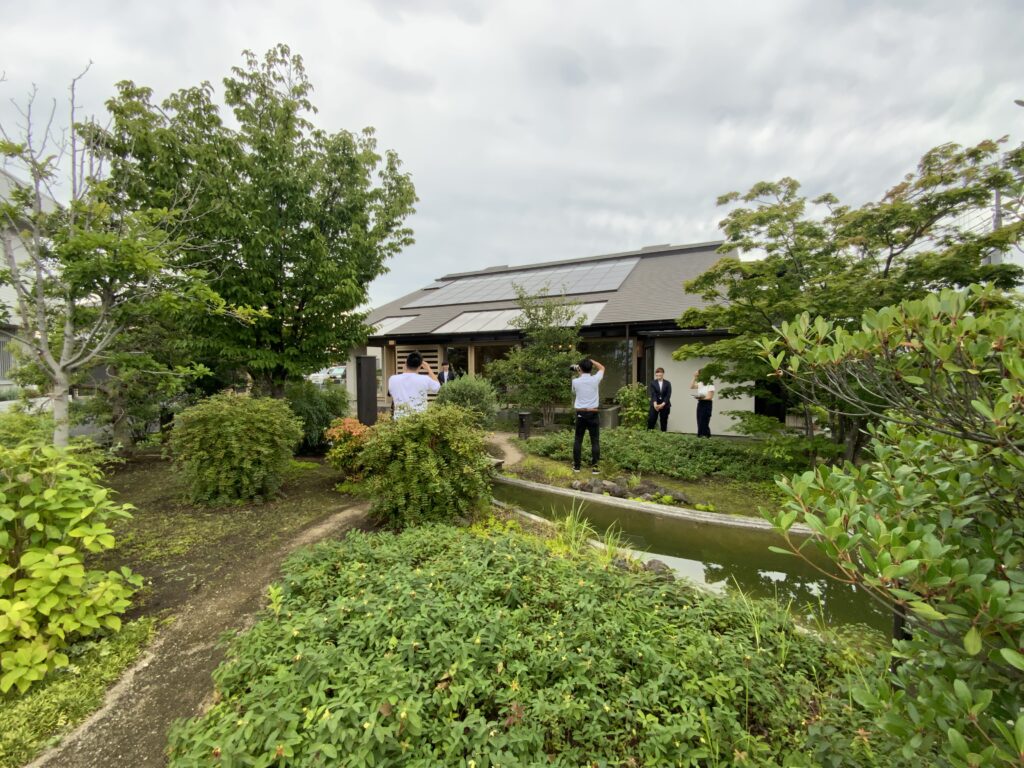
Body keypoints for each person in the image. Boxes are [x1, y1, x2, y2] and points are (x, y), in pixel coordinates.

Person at [571, 357, 605, 473]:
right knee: (595, 441)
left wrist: (579, 371)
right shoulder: (595, 379)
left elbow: (574, 392)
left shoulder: (575, 381)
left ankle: (577, 466)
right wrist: (592, 361)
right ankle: (595, 468)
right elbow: (602, 368)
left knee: (578, 440)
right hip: (593, 413)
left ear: (579, 369)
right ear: (591, 368)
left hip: (580, 413)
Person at [387, 351, 440, 418]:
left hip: (399, 420)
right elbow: (437, 387)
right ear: (420, 366)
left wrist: (404, 371)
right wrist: (429, 369)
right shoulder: (425, 379)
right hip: (419, 420)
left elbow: (392, 392)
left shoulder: (392, 379)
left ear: (406, 364)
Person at [690, 368, 715, 438]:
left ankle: (706, 436)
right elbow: (691, 386)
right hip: (700, 403)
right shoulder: (700, 383)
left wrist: (701, 398)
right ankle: (700, 435)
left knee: (705, 421)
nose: (698, 377)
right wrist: (694, 377)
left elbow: (709, 397)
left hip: (707, 404)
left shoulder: (710, 385)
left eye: (699, 375)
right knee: (699, 420)